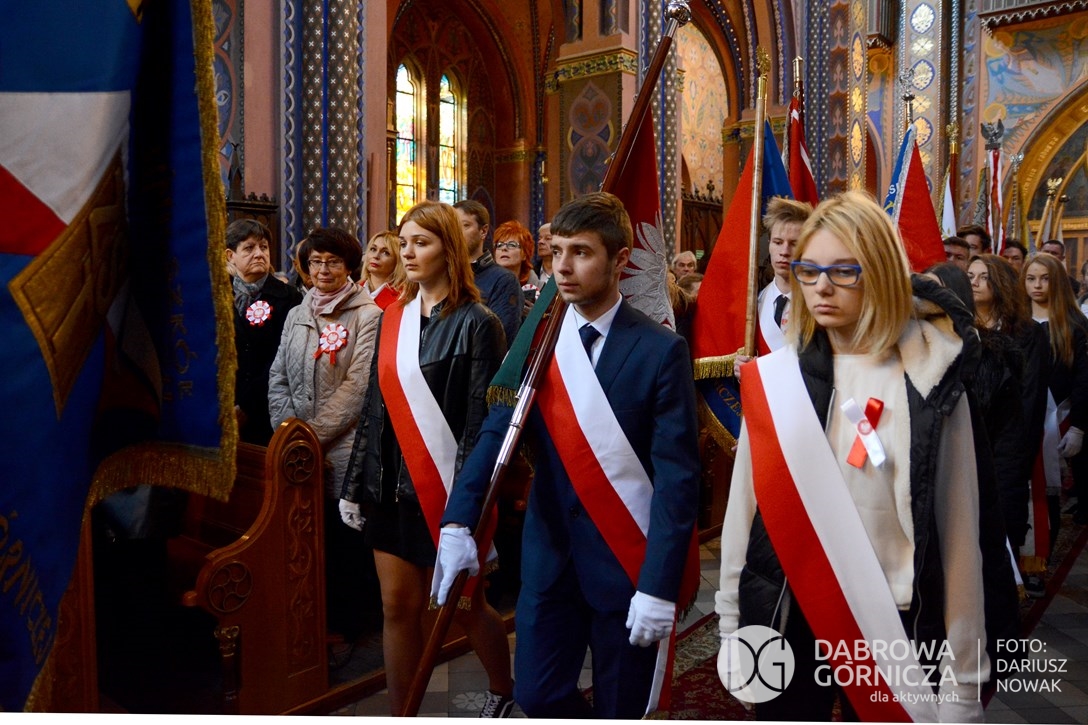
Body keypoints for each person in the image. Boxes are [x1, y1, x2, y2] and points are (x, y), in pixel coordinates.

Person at [717, 191, 991, 722]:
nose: (821, 286)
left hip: (893, 619)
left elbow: (960, 537)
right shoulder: (776, 380)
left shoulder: (931, 379)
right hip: (789, 611)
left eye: (844, 271)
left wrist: (963, 680)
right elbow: (744, 513)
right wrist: (733, 629)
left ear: (881, 272)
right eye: (809, 269)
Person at [435, 191, 700, 719]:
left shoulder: (660, 350)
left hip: (625, 556)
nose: (563, 267)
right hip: (551, 553)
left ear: (619, 260)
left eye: (581, 252)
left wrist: (659, 584)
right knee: (536, 696)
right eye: (557, 251)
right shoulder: (537, 341)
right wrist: (459, 520)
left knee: (622, 707)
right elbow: (497, 430)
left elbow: (677, 478)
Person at [339, 201, 514, 717]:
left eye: (422, 242)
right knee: (397, 607)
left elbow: (479, 423)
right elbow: (374, 406)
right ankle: (404, 714)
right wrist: (354, 485)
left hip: (444, 490)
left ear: (449, 248)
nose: (408, 253)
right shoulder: (393, 318)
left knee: (464, 606)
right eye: (404, 242)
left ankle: (503, 690)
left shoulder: (479, 322)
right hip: (388, 488)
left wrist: (465, 507)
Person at [268, 227, 382, 656]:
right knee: (305, 538)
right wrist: (289, 432)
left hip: (344, 447)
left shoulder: (368, 315)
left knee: (341, 542)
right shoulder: (298, 312)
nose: (322, 270)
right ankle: (311, 620)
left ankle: (349, 627)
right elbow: (278, 376)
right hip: (298, 448)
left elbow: (358, 387)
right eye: (315, 261)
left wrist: (311, 436)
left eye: (332, 262)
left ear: (349, 266)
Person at [964, 255, 1049, 557]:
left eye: (983, 276)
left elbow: (1031, 395)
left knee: (1003, 517)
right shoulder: (958, 327)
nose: (974, 282)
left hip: (1008, 439)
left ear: (1000, 282)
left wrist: (1022, 451)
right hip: (969, 434)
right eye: (970, 276)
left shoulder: (1027, 333)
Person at [1023, 253, 1088, 552]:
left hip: (1057, 419)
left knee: (1048, 490)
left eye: (1045, 279)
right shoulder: (1016, 321)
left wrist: (1078, 427)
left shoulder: (1075, 325)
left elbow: (1083, 379)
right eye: (1031, 278)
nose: (1037, 285)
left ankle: (1042, 554)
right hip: (1019, 420)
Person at [225, 218, 302, 444]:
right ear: (230, 255)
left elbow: (284, 357)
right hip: (224, 405)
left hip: (267, 407)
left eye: (264, 247)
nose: (259, 254)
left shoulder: (289, 297)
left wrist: (246, 406)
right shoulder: (218, 294)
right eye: (249, 248)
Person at [454, 199, 523, 347]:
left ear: (483, 231)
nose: (457, 232)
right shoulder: (444, 275)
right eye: (452, 227)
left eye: (465, 225)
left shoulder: (503, 280)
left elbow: (501, 341)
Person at [755, 197, 812, 354]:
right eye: (778, 242)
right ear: (769, 244)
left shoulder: (818, 303)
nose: (784, 252)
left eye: (794, 244)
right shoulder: (755, 303)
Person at [493, 220, 542, 309]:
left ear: (524, 254)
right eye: (499, 245)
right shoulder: (484, 285)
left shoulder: (542, 290)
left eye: (512, 245)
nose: (504, 248)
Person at [360, 229, 406, 309]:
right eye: (373, 249)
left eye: (385, 253)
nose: (376, 256)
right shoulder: (352, 291)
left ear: (397, 261)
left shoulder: (403, 297)